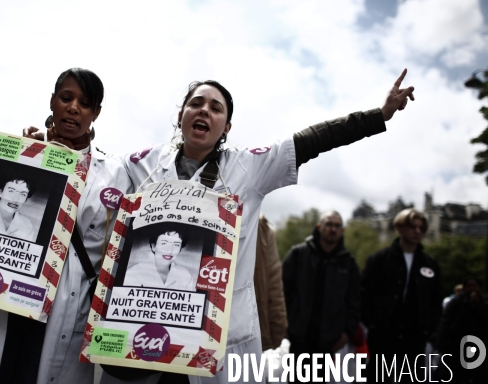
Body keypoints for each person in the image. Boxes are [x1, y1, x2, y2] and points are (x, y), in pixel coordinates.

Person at [100, 69, 415, 384]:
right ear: (181, 114)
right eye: (196, 103)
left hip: (218, 340)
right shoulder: (143, 163)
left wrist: (380, 115)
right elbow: (96, 170)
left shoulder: (248, 167)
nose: (204, 110)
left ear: (226, 127)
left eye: (216, 107)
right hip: (144, 333)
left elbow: (313, 139)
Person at [0, 68, 132, 384]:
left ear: (96, 113)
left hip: (64, 309)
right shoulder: (16, 155)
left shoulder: (114, 175)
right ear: (53, 101)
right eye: (66, 98)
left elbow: (115, 251)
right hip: (1, 297)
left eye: (85, 102)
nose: (73, 107)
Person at [361, 208, 442, 383]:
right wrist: (372, 324)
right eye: (413, 227)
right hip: (383, 335)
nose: (417, 231)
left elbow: (436, 301)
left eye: (421, 228)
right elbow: (363, 293)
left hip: (415, 338)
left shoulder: (430, 264)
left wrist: (429, 331)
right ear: (399, 228)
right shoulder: (380, 259)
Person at [282, 210, 360, 382]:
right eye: (329, 224)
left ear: (342, 230)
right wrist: (284, 324)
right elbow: (282, 292)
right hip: (298, 337)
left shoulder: (348, 263)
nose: (333, 229)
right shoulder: (298, 254)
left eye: (337, 225)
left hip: (329, 342)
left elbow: (354, 301)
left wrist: (347, 333)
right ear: (319, 227)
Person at [436, 277, 488, 383]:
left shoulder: (483, 304)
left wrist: (478, 305)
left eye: (475, 286)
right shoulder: (456, 303)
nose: (472, 289)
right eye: (469, 286)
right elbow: (445, 322)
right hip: (456, 346)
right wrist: (440, 343)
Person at [124, 225, 196, 291]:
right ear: (154, 247)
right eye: (164, 243)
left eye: (176, 245)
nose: (170, 250)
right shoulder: (133, 273)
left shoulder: (185, 275)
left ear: (180, 249)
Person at [254, 214, 286, 351]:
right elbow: (274, 286)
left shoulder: (262, 228)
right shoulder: (262, 227)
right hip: (247, 330)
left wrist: (278, 328)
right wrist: (278, 330)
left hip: (249, 328)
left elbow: (274, 286)